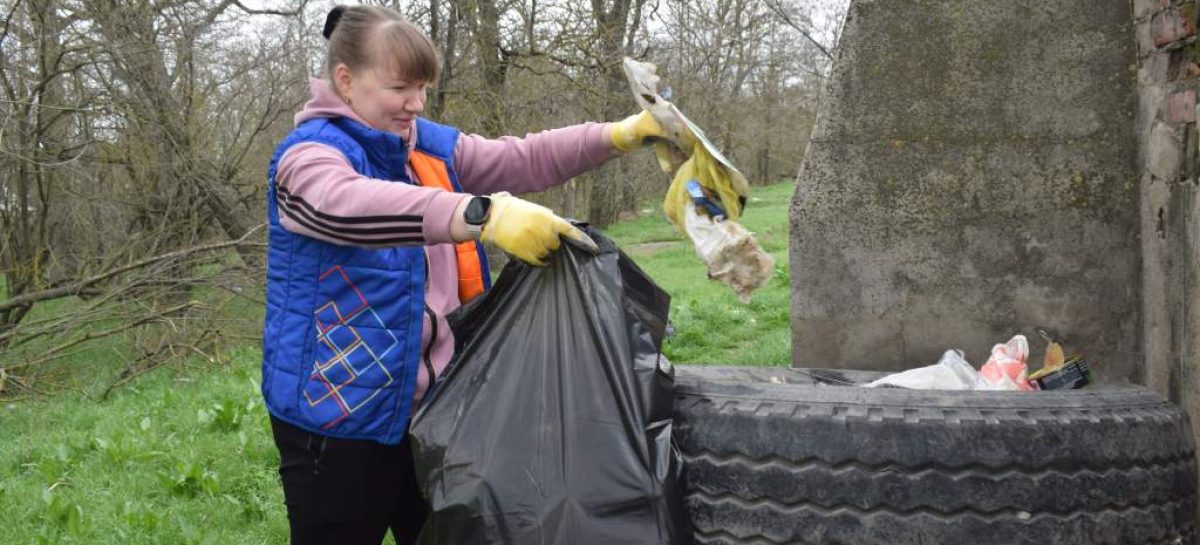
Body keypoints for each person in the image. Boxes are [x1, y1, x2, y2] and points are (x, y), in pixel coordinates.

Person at [261, 5, 665, 544]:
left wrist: (622, 134)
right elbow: (344, 204)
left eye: (423, 88)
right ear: (345, 80)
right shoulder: (307, 158)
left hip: (433, 411)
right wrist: (480, 215)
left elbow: (520, 158)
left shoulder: (419, 143)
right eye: (400, 87)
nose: (416, 103)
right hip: (336, 422)